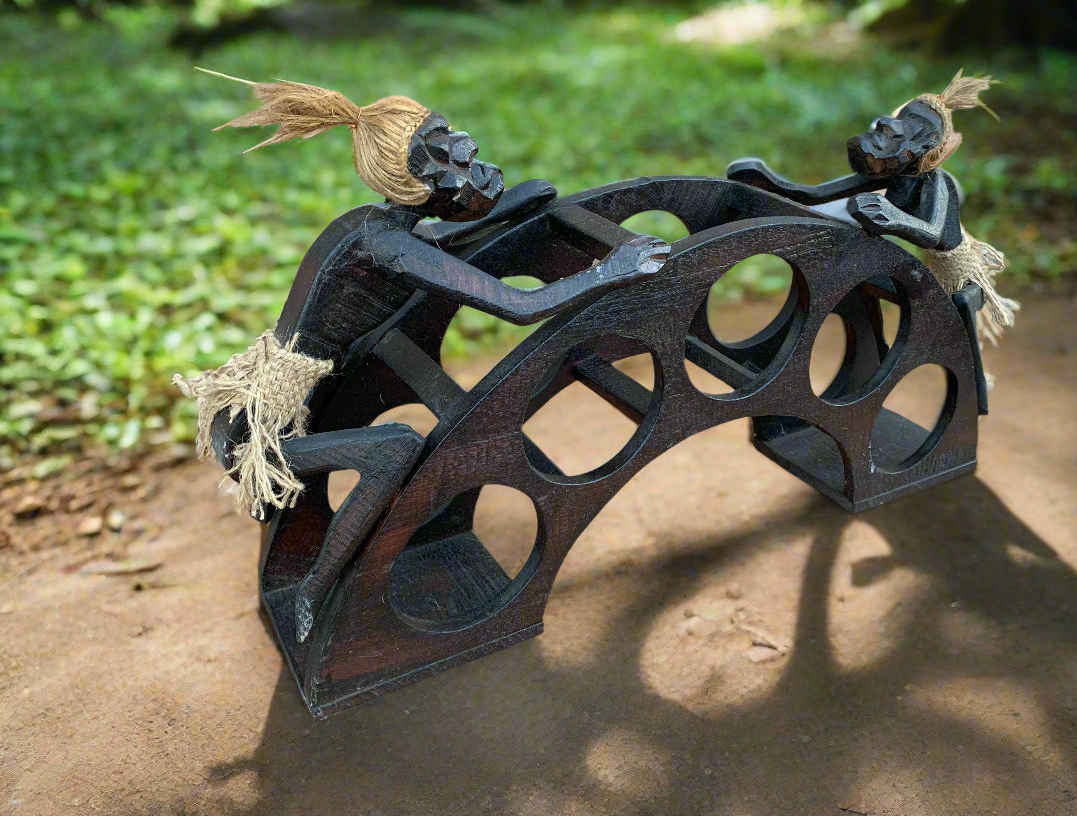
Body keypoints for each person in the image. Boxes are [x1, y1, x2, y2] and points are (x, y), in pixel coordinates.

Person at [175, 72, 669, 640]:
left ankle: (319, 585)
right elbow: (521, 305)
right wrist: (610, 271)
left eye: (457, 141)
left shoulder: (373, 226)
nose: (472, 159)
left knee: (397, 446)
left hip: (262, 402)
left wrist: (507, 208)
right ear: (415, 184)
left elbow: (433, 243)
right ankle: (314, 594)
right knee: (398, 448)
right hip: (258, 435)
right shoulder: (387, 246)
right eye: (451, 162)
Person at [728, 70, 1018, 344]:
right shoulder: (894, 173)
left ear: (926, 144)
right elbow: (818, 194)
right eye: (900, 119)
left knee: (958, 334)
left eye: (910, 126)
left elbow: (933, 233)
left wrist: (893, 219)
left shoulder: (936, 184)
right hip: (920, 262)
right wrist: (776, 188)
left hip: (954, 272)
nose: (889, 126)